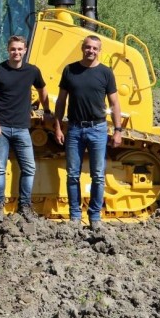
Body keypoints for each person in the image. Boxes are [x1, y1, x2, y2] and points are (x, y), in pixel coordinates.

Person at [53, 35, 123, 230]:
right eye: (87, 47)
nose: (90, 51)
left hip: (98, 128)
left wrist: (117, 130)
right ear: (82, 48)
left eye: (94, 48)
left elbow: (115, 103)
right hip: (74, 128)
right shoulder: (70, 70)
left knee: (98, 175)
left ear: (99, 50)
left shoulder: (106, 73)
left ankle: (95, 217)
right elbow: (61, 101)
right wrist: (58, 126)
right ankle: (75, 215)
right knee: (72, 174)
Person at [0, 34, 50, 223]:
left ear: (25, 50)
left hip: (22, 128)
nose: (16, 52)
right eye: (13, 49)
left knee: (29, 168)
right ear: (8, 50)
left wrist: (46, 110)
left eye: (20, 49)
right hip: (2, 127)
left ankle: (24, 206)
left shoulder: (32, 71)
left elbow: (43, 89)